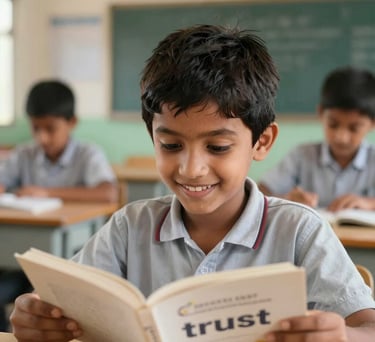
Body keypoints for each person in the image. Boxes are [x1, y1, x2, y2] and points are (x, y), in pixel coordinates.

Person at [10, 25, 375, 342]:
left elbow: (368, 328)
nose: (192, 168)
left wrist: (342, 334)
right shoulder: (129, 228)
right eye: (170, 145)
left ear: (261, 142)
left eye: (217, 147)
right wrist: (36, 314)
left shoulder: (299, 232)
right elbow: (58, 301)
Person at [0, 79, 118, 332]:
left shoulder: (88, 154)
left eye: (50, 129)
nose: (42, 137)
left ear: (71, 122)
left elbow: (109, 193)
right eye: (36, 128)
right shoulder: (24, 154)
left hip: (65, 260)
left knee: (54, 307)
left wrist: (46, 192)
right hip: (18, 261)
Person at [258, 66, 375, 211]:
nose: (341, 137)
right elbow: (261, 193)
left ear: (372, 123)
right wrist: (287, 200)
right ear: (320, 113)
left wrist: (369, 203)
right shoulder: (301, 156)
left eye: (354, 128)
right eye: (333, 124)